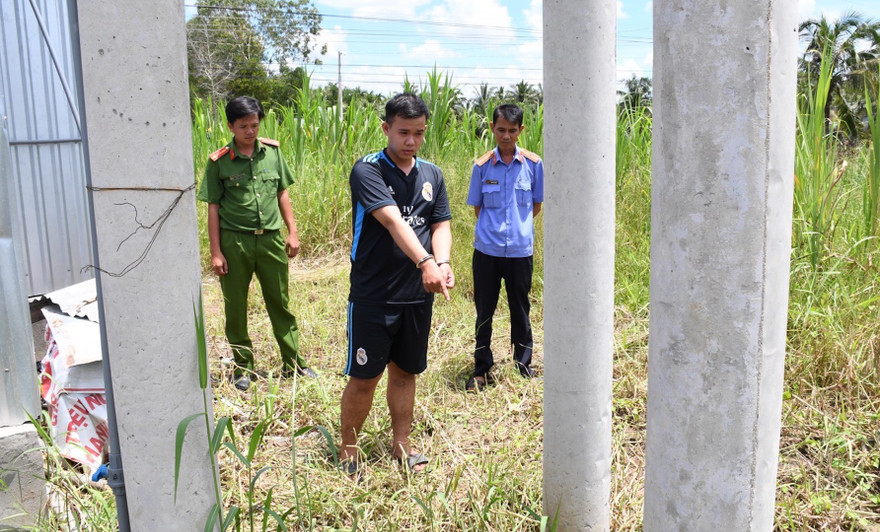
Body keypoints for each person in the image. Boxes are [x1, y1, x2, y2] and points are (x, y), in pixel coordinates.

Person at [339, 93, 454, 476]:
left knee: (406, 373)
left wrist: (443, 262)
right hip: (375, 293)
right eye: (404, 132)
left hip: (417, 294)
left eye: (419, 133)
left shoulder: (432, 174)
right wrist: (425, 261)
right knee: (365, 377)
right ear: (386, 128)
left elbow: (440, 223)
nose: (411, 141)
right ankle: (349, 451)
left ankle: (401, 447)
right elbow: (392, 221)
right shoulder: (368, 170)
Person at [196, 96, 316, 392]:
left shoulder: (273, 153)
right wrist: (215, 252)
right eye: (243, 126)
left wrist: (293, 231)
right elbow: (212, 207)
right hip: (235, 243)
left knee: (280, 303)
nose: (250, 131)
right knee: (235, 307)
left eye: (254, 124)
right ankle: (243, 368)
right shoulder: (219, 161)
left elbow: (282, 194)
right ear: (230, 126)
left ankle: (293, 363)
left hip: (271, 240)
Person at [465, 103, 544, 392]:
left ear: (521, 130)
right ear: (492, 128)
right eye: (501, 130)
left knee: (520, 308)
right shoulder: (482, 166)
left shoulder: (534, 165)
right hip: (487, 251)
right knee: (484, 311)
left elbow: (535, 206)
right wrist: (496, 232)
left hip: (521, 251)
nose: (506, 136)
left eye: (512, 130)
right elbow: (478, 208)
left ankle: (523, 365)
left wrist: (517, 229)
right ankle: (481, 369)